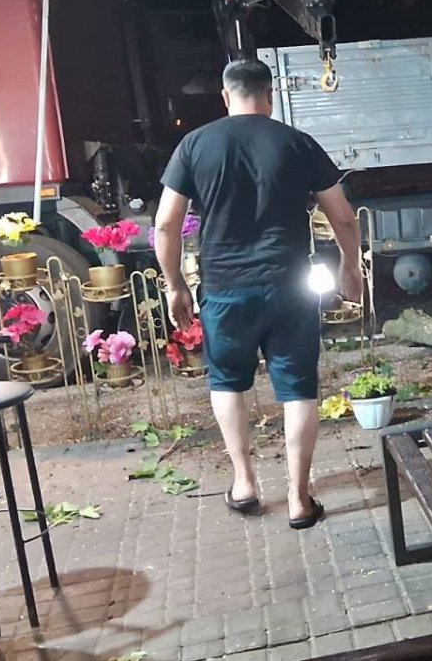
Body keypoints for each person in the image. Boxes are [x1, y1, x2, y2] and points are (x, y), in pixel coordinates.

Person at [154, 58, 364, 529]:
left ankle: (245, 483)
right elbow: (343, 216)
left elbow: (166, 225)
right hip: (289, 287)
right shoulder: (297, 143)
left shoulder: (195, 144)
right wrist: (350, 267)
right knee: (298, 387)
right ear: (270, 96)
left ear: (225, 96)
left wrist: (174, 285)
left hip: (225, 288)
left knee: (227, 381)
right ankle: (298, 498)